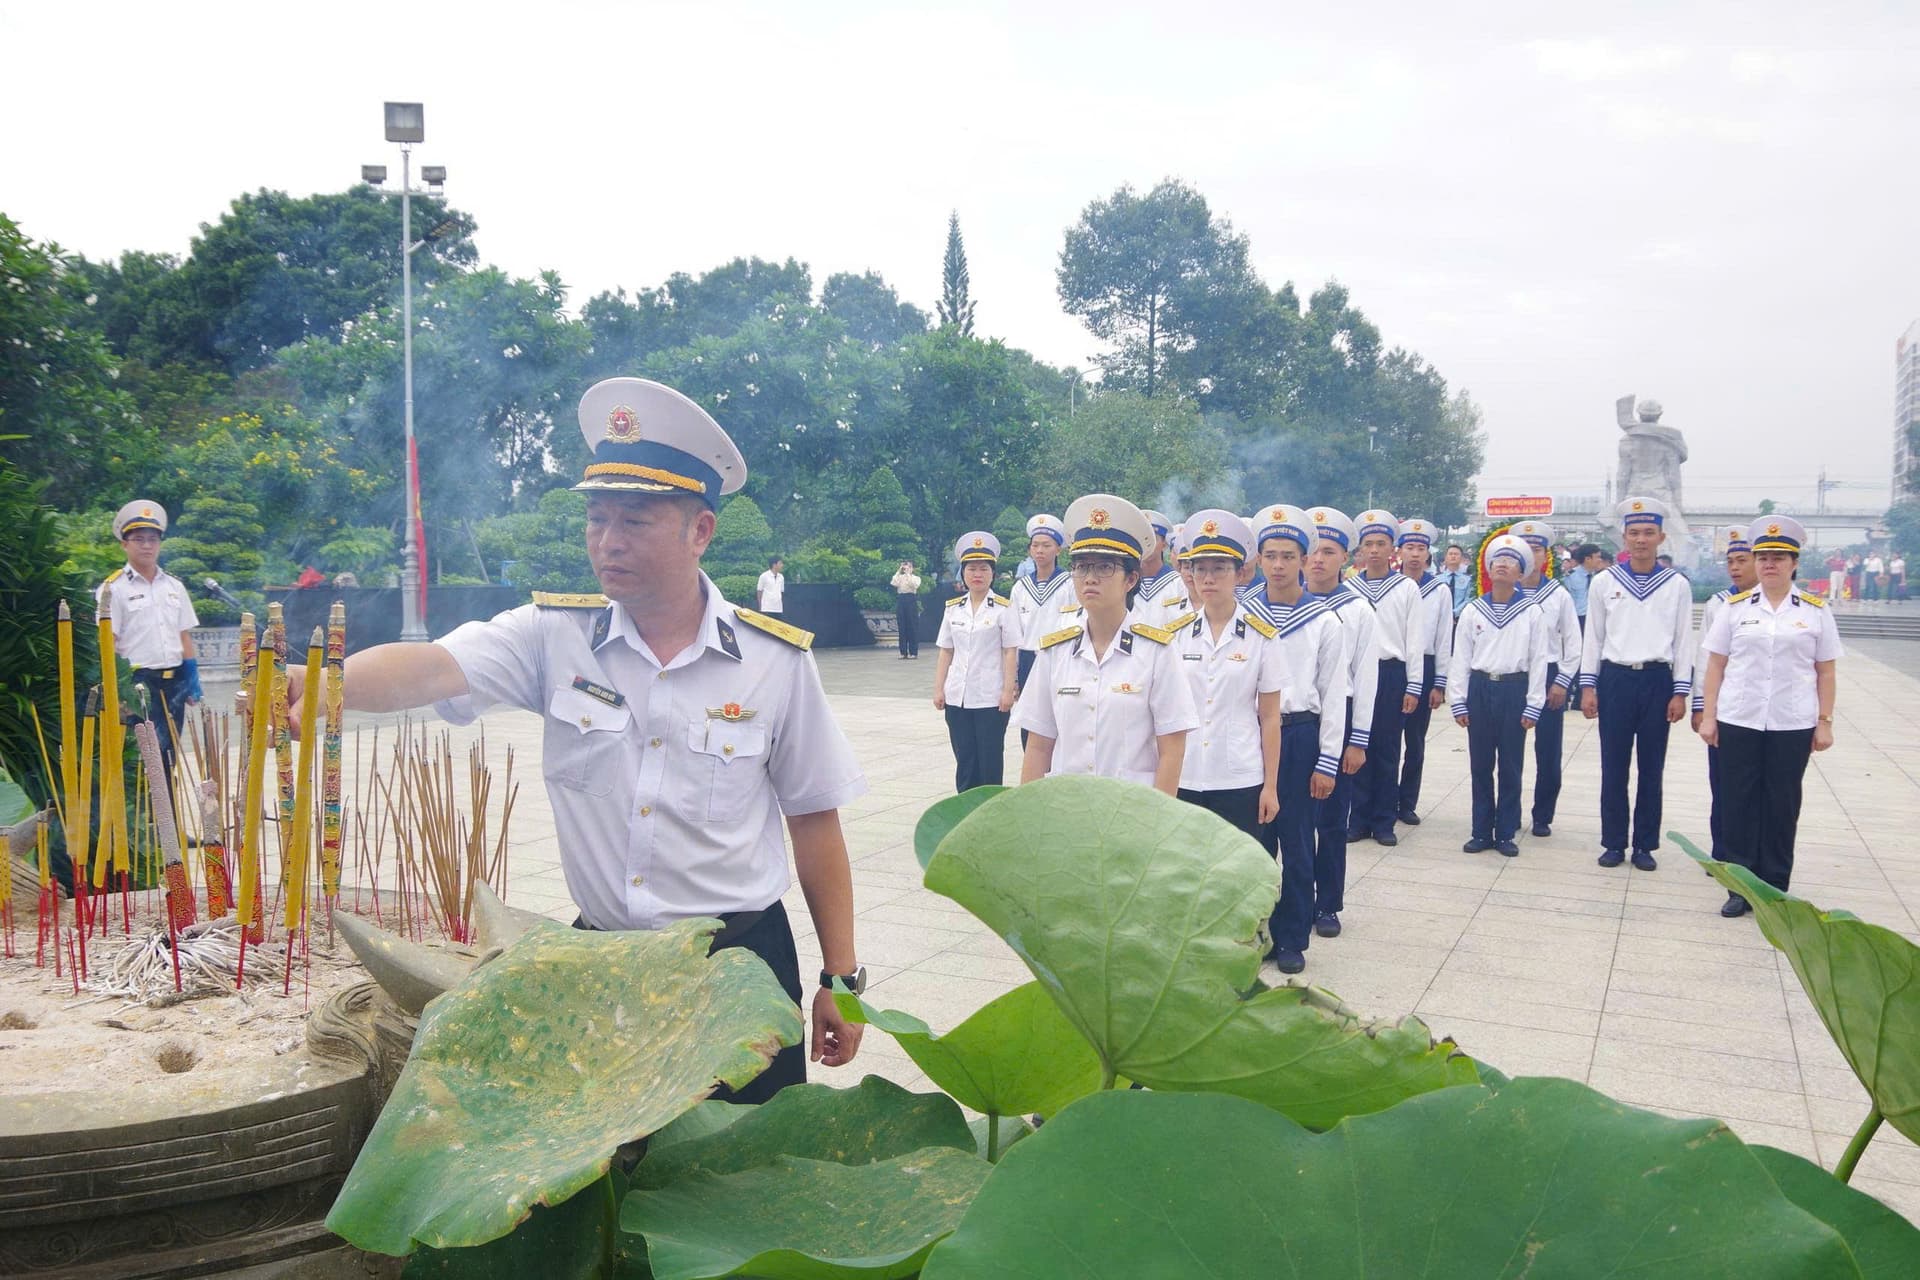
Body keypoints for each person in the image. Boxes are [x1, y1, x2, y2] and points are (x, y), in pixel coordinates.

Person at [288, 377, 867, 1103]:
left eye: (634, 520)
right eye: (596, 518)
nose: (607, 542)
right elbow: (433, 667)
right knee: (606, 1185)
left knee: (741, 1180)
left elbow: (814, 821)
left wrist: (840, 979)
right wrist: (320, 689)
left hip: (736, 968)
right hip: (599, 961)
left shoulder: (775, 662)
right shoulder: (552, 636)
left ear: (700, 530)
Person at [1699, 516, 1840, 915]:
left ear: (1795, 563)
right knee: (1737, 801)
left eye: (1779, 557)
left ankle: (1775, 888)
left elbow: (1826, 670)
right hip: (1739, 718)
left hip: (1791, 723)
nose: (1770, 565)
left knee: (1782, 804)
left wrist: (1824, 721)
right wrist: (1709, 716)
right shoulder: (1735, 608)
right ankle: (1740, 888)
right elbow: (1716, 666)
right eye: (1763, 557)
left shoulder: (1814, 611)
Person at [1015, 495, 1196, 793]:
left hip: (1130, 812)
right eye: (1082, 567)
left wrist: (1158, 824)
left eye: (1104, 568)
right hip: (1066, 808)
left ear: (1131, 579)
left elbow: (1172, 749)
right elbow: (1038, 745)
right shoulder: (1054, 651)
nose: (1090, 578)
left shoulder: (1157, 651)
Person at [1247, 503, 1343, 975]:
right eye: (1271, 555)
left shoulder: (1323, 621)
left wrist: (1328, 761)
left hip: (1300, 735)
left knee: (1298, 842)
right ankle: (1256, 933)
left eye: (1289, 555)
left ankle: (1292, 937)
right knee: (1254, 842)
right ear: (1259, 560)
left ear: (1304, 562)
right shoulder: (1243, 615)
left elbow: (1333, 695)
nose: (1280, 564)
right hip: (1251, 737)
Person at [1579, 496, 1694, 871]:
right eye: (1633, 533)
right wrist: (1589, 686)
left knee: (1651, 767)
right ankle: (1613, 842)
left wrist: (1680, 691)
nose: (1641, 540)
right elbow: (1593, 637)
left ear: (1661, 537)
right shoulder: (1604, 582)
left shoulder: (1675, 585)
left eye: (1648, 533)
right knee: (1614, 765)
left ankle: (1645, 845)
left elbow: (1683, 642)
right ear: (1624, 538)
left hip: (1657, 680)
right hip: (1615, 679)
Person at [1170, 511, 1282, 841]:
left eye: (1219, 569)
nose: (1208, 578)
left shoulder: (1262, 637)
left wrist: (1271, 787)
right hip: (1185, 773)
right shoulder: (1173, 636)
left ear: (1240, 573)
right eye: (1200, 569)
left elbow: (1271, 716)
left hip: (1240, 778)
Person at [1449, 535, 1550, 856]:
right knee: (1480, 764)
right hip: (1480, 689)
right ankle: (1481, 830)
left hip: (1514, 690)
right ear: (1488, 569)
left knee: (1510, 763)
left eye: (1511, 562)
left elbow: (1538, 660)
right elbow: (1461, 658)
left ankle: (1505, 831)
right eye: (1497, 561)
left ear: (1521, 573)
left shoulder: (1532, 612)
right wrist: (1458, 699)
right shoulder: (1473, 611)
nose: (1503, 565)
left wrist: (1534, 704)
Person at [1303, 507, 1375, 942]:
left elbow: (1366, 678)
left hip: (1340, 718)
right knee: (1288, 822)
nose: (1317, 560)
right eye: (1311, 551)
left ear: (1345, 558)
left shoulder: (1358, 609)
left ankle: (1327, 902)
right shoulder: (1279, 602)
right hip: (1293, 721)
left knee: (1331, 820)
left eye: (1328, 551)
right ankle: (1289, 897)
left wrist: (1357, 740)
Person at [98, 500, 203, 782]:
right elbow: (108, 642)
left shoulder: (174, 586)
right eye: (139, 539)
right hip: (137, 683)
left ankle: (165, 823)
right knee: (143, 759)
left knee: (168, 757)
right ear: (124, 543)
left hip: (174, 682)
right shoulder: (113, 589)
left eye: (153, 539)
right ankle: (143, 824)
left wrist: (192, 676)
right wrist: (117, 689)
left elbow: (184, 634)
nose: (147, 545)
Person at [1344, 509, 1424, 847]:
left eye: (1381, 544)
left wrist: (1414, 683)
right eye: (1368, 544)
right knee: (1356, 745)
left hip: (1391, 672)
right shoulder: (1349, 587)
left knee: (1388, 748)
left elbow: (1415, 637)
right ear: (1360, 550)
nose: (1374, 550)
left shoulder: (1406, 587)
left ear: (1393, 548)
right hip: (1357, 673)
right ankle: (1358, 818)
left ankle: (1383, 820)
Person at [1509, 520, 1581, 837]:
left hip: (1550, 674)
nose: (1529, 556)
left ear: (1545, 555)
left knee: (1548, 752)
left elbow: (1573, 643)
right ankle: (1508, 814)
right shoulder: (1501, 593)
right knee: (1509, 752)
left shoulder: (1557, 595)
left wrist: (1562, 681)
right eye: (1522, 550)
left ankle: (1542, 815)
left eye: (1536, 550)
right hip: (1514, 677)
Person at [1690, 526, 1757, 861]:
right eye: (1731, 560)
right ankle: (1723, 853)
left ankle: (1758, 854)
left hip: (1765, 712)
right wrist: (1701, 707)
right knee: (1723, 784)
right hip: (1727, 709)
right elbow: (1705, 659)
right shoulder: (1720, 603)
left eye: (1742, 560)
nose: (1735, 567)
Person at [932, 533, 1019, 792]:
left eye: (984, 568)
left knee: (990, 760)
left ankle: (990, 814)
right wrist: (939, 688)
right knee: (965, 759)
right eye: (971, 569)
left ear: (992, 573)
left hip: (990, 697)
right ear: (963, 573)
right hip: (958, 695)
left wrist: (1007, 691)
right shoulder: (953, 608)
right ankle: (965, 812)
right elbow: (946, 651)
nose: (977, 574)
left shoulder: (1003, 609)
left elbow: (1010, 652)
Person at [1394, 518, 1451, 827]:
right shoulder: (1389, 586)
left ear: (1428, 553)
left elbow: (1444, 638)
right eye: (1410, 547)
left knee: (1414, 741)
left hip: (1425, 666)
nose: (1415, 554)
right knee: (1386, 740)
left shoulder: (1438, 589)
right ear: (1400, 551)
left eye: (1421, 548)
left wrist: (1439, 683)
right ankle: (1384, 800)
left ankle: (1407, 802)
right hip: (1394, 666)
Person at [1009, 514, 1077, 727]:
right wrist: (1013, 676)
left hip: (1059, 657)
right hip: (1028, 658)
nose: (1039, 550)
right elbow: (1013, 633)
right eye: (1035, 545)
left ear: (1058, 549)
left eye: (1046, 545)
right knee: (1029, 721)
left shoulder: (1070, 584)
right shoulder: (1020, 587)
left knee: (1059, 719)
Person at [1134, 508, 1189, 624]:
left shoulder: (1180, 583)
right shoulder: (1125, 582)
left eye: (1153, 539)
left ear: (1164, 544)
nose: (1146, 545)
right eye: (1141, 539)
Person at [1566, 543, 1605, 630]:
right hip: (1577, 617)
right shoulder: (1570, 576)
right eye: (1597, 557)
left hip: (1594, 616)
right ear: (1588, 559)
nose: (1600, 560)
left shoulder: (1599, 577)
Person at [890, 559, 923, 659]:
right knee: (902, 627)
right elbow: (893, 582)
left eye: (908, 566)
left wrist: (908, 574)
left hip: (911, 599)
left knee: (912, 626)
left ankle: (913, 652)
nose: (906, 568)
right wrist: (899, 570)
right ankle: (903, 652)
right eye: (905, 566)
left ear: (912, 568)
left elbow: (914, 585)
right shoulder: (900, 577)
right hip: (901, 599)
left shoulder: (916, 578)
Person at [1439, 544, 1475, 617]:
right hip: (1440, 617)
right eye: (1450, 554)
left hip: (1460, 618)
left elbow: (1468, 600)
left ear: (1461, 558)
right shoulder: (1437, 579)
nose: (1453, 556)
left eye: (1456, 554)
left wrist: (1454, 613)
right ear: (1445, 557)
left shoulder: (1468, 580)